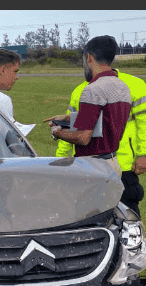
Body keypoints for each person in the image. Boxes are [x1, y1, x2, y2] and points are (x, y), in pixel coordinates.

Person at [51, 68, 146, 214]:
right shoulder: (81, 90)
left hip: (124, 165)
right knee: (90, 213)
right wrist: (61, 157)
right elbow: (72, 126)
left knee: (126, 213)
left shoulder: (134, 84)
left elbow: (144, 122)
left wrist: (143, 154)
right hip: (88, 166)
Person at [44, 35, 132, 179]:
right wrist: (70, 117)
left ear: (89, 57)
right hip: (113, 163)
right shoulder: (123, 87)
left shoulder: (92, 89)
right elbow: (105, 120)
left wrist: (57, 132)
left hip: (93, 166)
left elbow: (83, 138)